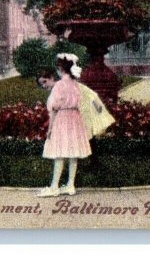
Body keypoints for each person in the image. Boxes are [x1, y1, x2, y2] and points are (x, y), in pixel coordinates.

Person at [37, 54, 91, 197]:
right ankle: (70, 185)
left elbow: (53, 107)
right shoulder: (75, 84)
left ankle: (54, 186)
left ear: (61, 69)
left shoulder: (59, 85)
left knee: (59, 153)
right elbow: (82, 102)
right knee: (73, 154)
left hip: (62, 119)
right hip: (75, 119)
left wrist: (50, 129)